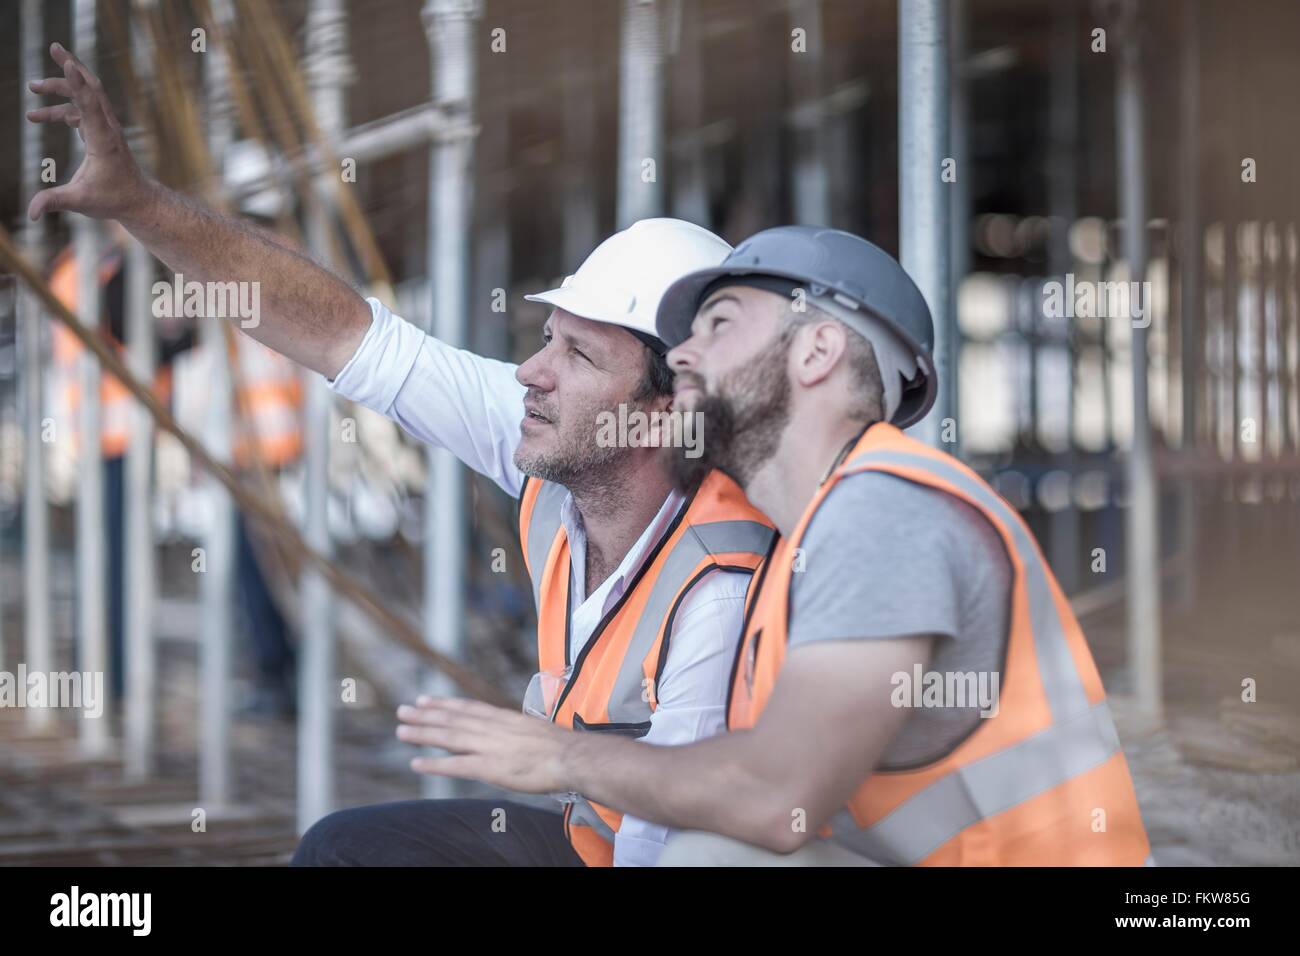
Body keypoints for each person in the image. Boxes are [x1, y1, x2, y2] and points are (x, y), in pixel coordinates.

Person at [27, 41, 773, 866]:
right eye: (547, 339)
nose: (532, 372)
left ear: (668, 409)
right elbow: (352, 334)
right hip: (586, 834)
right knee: (341, 849)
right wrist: (142, 204)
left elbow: (674, 841)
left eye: (580, 357)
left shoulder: (721, 581)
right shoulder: (561, 456)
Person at [397, 226, 1153, 866]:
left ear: (817, 351)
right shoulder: (798, 541)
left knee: (710, 858)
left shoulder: (886, 513)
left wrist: (559, 756)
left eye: (718, 325)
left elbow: (774, 796)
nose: (685, 355)